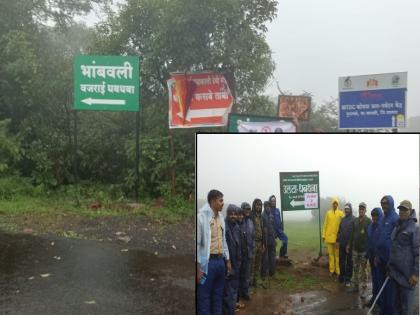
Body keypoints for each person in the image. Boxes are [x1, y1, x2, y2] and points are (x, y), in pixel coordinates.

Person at [197, 189, 231, 315]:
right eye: (220, 200)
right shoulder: (201, 218)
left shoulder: (221, 218)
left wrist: (227, 260)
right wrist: (198, 268)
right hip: (207, 264)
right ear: (212, 201)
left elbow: (224, 241)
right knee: (204, 296)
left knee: (218, 295)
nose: (223, 203)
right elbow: (197, 244)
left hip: (220, 262)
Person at [387, 200, 419, 315]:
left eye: (405, 209)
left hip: (407, 277)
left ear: (410, 211)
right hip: (395, 274)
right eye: (400, 209)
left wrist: (415, 274)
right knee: (396, 307)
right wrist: (389, 267)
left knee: (406, 310)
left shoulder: (414, 228)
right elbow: (393, 249)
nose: (402, 212)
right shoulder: (397, 227)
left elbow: (418, 253)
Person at [375, 195, 399, 315]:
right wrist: (377, 256)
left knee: (390, 288)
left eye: (386, 203)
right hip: (380, 259)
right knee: (380, 284)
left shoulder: (395, 218)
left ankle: (390, 311)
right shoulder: (382, 218)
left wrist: (393, 262)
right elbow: (379, 238)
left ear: (391, 203)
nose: (384, 205)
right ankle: (383, 309)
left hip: (390, 260)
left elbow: (397, 242)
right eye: (382, 203)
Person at [348, 202, 371, 297]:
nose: (361, 210)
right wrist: (349, 245)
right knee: (355, 268)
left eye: (363, 208)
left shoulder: (368, 221)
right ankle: (355, 287)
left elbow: (370, 236)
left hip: (364, 250)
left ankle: (365, 288)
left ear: (365, 210)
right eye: (360, 208)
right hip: (355, 249)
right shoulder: (355, 220)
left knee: (364, 270)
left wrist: (369, 248)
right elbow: (352, 234)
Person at [365, 207, 383, 308]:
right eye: (373, 215)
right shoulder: (371, 226)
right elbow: (369, 241)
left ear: (379, 215)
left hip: (379, 259)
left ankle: (380, 302)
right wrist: (367, 254)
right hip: (371, 257)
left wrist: (378, 256)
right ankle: (374, 298)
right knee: (374, 279)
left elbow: (382, 243)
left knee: (379, 279)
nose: (374, 217)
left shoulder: (382, 226)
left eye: (376, 215)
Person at [322, 197, 344, 277]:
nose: (335, 205)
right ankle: (331, 270)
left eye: (336, 203)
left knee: (337, 256)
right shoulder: (328, 213)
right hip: (328, 238)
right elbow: (325, 224)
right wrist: (323, 235)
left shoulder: (341, 213)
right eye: (334, 203)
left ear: (337, 204)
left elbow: (344, 223)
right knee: (331, 256)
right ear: (332, 204)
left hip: (337, 239)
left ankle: (338, 271)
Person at [238, 202, 254, 301]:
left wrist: (252, 249)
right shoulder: (239, 221)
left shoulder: (251, 222)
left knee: (247, 275)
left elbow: (252, 237)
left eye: (249, 209)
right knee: (239, 274)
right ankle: (238, 294)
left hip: (249, 253)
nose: (247, 211)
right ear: (242, 210)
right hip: (240, 254)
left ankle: (246, 292)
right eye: (245, 209)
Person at [250, 198, 267, 288]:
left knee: (258, 264)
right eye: (257, 205)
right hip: (253, 243)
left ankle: (255, 282)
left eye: (260, 205)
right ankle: (250, 284)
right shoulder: (251, 216)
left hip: (260, 243)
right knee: (251, 265)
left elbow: (263, 231)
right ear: (254, 205)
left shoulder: (261, 217)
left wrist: (263, 243)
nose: (259, 206)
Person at [336, 203, 354, 286]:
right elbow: (339, 231)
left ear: (350, 210)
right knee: (341, 262)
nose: (346, 210)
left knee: (349, 262)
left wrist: (349, 244)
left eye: (348, 209)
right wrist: (337, 241)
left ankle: (348, 279)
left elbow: (354, 233)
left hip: (349, 246)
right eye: (345, 209)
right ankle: (341, 277)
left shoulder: (353, 219)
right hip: (342, 244)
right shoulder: (342, 219)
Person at [261, 201, 277, 287]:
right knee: (265, 258)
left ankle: (272, 272)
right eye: (266, 206)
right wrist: (263, 242)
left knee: (272, 256)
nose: (268, 207)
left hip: (272, 240)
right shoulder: (262, 216)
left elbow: (273, 227)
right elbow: (262, 230)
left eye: (269, 206)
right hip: (265, 240)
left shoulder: (271, 215)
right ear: (264, 206)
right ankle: (264, 275)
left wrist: (274, 237)